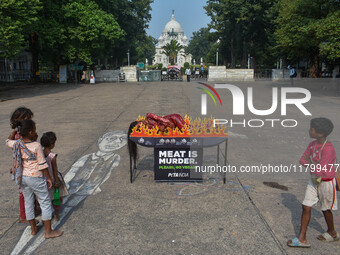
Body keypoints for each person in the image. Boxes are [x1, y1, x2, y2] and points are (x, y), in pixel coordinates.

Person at [6, 120, 63, 238]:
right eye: (35, 130)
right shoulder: (36, 146)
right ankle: (48, 231)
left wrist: (14, 132)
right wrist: (48, 178)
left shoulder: (17, 144)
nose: (36, 132)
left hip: (23, 178)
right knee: (45, 202)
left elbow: (7, 141)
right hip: (36, 178)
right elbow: (42, 165)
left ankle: (33, 228)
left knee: (28, 202)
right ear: (31, 132)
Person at [287, 118, 338, 248]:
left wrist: (311, 164)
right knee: (306, 206)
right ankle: (302, 238)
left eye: (312, 129)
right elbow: (302, 160)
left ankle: (332, 232)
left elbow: (319, 169)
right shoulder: (312, 145)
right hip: (314, 180)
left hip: (326, 183)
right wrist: (313, 164)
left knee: (326, 209)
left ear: (319, 133)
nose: (309, 130)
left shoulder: (328, 149)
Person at [9, 107, 34, 223]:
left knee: (28, 191)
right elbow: (9, 143)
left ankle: (31, 211)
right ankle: (23, 216)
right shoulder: (17, 134)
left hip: (26, 165)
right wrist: (14, 132)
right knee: (23, 192)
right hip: (21, 167)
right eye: (26, 119)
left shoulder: (25, 132)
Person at [40, 132, 69, 221]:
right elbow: (54, 169)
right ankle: (56, 213)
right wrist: (56, 181)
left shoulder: (40, 153)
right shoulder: (52, 156)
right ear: (52, 145)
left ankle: (46, 214)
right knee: (57, 197)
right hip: (53, 179)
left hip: (43, 180)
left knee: (46, 198)